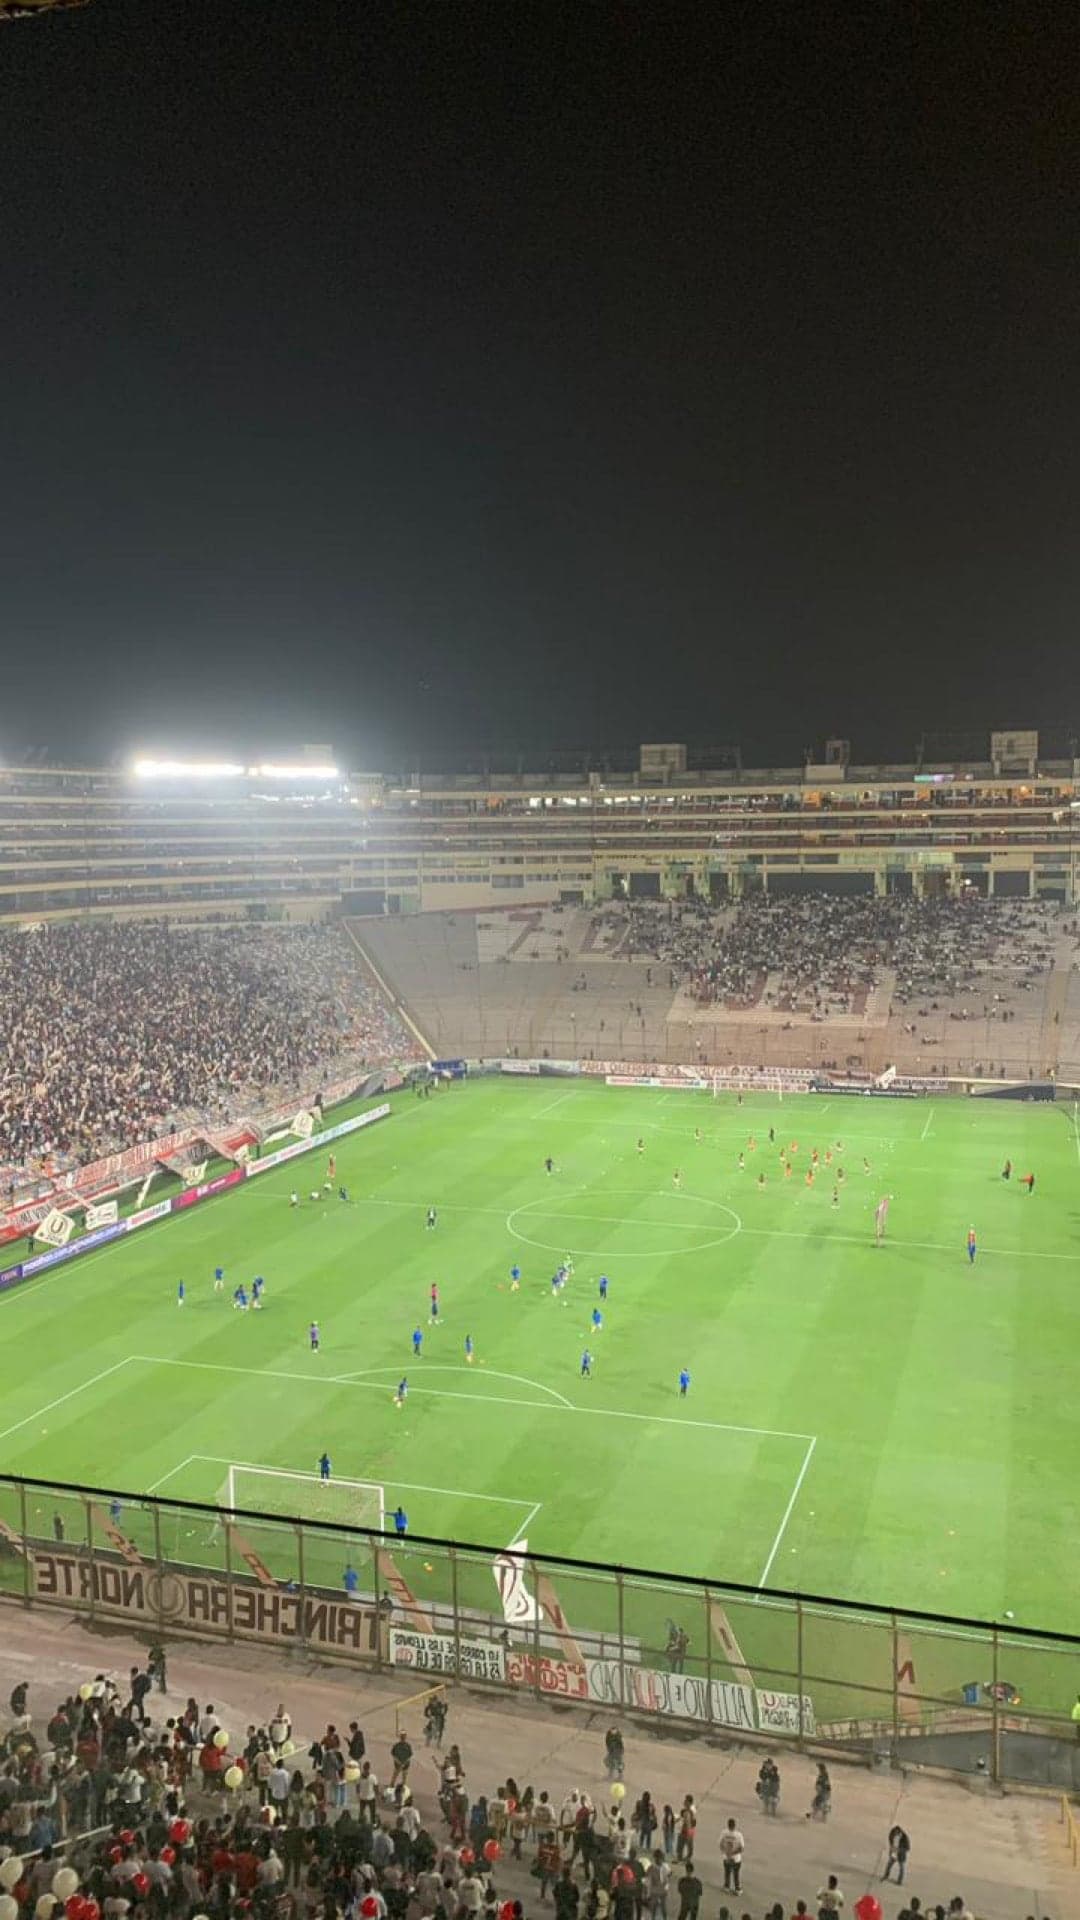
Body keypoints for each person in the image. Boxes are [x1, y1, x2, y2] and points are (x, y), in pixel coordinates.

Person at [718, 1819, 743, 1893]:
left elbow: (720, 1844)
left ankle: (727, 1887)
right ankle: (737, 1889)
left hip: (727, 1857)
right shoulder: (739, 1835)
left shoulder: (724, 1833)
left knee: (727, 1872)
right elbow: (741, 1848)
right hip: (736, 1858)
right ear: (735, 1825)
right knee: (736, 1874)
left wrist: (725, 1853)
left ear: (728, 1824)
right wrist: (733, 1853)